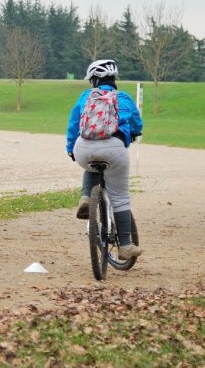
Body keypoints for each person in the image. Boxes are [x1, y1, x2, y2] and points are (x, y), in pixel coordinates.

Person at [66, 59, 144, 260]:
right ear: (113, 79)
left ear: (93, 80)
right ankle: (125, 246)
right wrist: (134, 132)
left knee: (91, 166)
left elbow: (74, 125)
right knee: (119, 197)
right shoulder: (124, 98)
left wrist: (71, 150)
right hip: (113, 149)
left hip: (83, 148)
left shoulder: (85, 97)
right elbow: (137, 124)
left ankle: (86, 197)